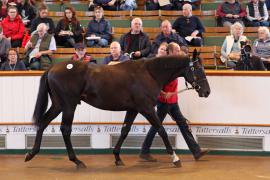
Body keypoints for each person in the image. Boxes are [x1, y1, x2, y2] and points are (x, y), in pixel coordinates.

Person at [140, 42, 209, 162]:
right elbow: (155, 82)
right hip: (164, 101)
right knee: (157, 126)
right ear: (170, 52)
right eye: (176, 50)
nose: (179, 51)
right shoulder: (163, 63)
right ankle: (144, 151)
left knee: (182, 124)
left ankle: (196, 151)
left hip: (173, 100)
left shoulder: (176, 62)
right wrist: (163, 93)